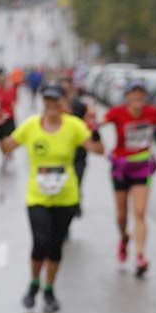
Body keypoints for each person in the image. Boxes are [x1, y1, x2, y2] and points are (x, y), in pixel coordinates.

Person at [0, 82, 103, 312]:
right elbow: (7, 147)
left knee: (55, 246)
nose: (51, 105)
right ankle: (34, 284)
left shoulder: (74, 126)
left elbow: (98, 149)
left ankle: (49, 289)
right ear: (43, 103)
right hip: (37, 196)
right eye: (47, 100)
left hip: (66, 196)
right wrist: (0, 127)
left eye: (56, 100)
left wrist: (94, 127)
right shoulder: (31, 126)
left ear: (62, 103)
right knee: (40, 243)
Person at [97, 79, 156, 277]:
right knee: (122, 215)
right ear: (127, 96)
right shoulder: (117, 112)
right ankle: (123, 238)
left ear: (145, 97)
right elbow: (98, 124)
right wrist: (90, 123)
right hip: (121, 167)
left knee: (139, 212)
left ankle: (140, 256)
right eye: (134, 93)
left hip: (142, 168)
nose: (137, 97)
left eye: (141, 93)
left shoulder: (151, 112)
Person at [60, 75, 96, 217]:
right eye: (62, 90)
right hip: (60, 155)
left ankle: (75, 203)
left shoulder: (79, 106)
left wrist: (92, 120)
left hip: (79, 154)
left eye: (67, 89)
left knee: (76, 182)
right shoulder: (54, 109)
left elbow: (89, 127)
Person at [0, 70, 18, 170]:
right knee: (0, 139)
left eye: (4, 80)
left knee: (8, 137)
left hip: (9, 117)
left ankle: (8, 153)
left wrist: (11, 112)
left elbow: (14, 102)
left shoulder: (12, 90)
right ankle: (4, 153)